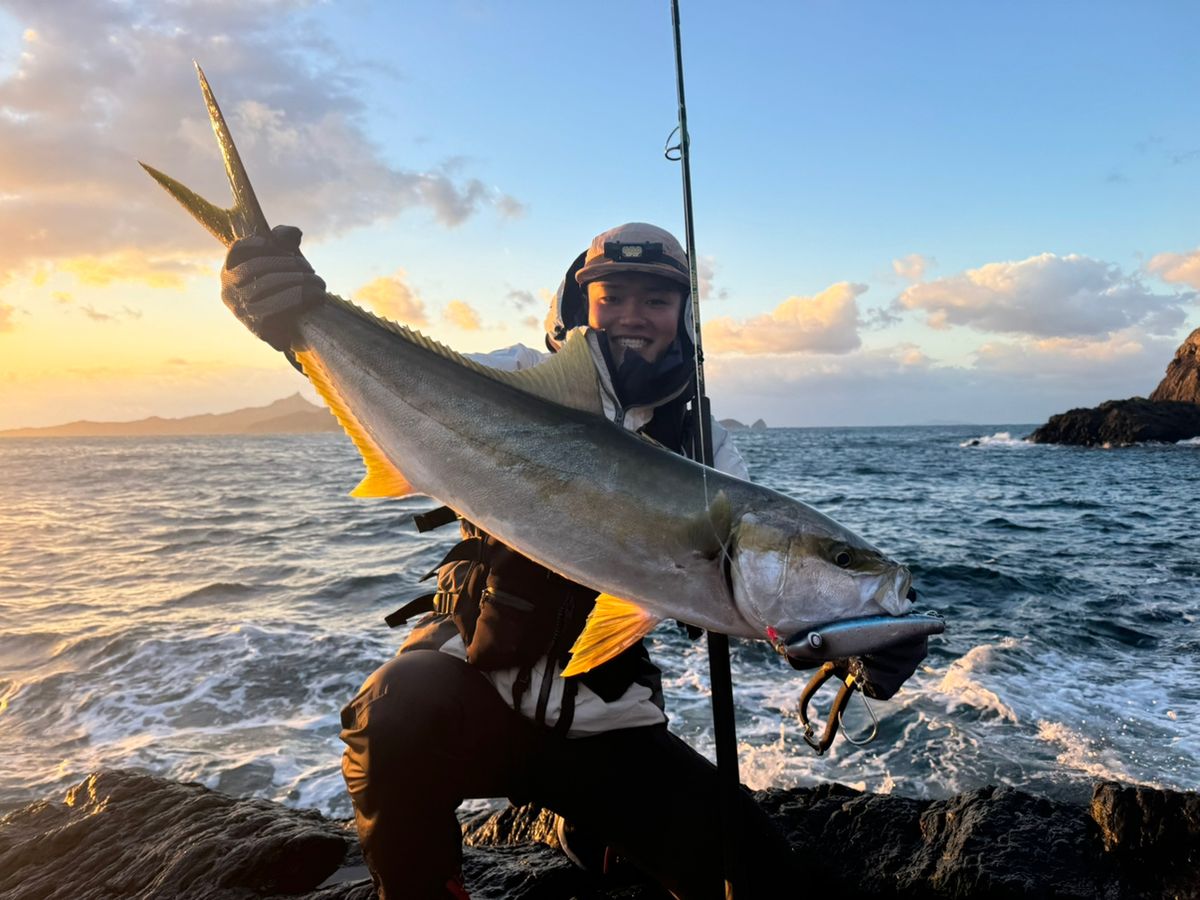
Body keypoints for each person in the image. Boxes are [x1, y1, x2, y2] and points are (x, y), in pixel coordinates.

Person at [220, 222, 923, 899]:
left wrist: (855, 643)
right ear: (578, 300)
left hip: (603, 727)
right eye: (610, 296)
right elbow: (402, 379)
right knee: (391, 709)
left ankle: (584, 822)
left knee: (761, 873)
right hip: (475, 694)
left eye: (656, 298)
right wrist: (294, 326)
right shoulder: (517, 379)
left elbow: (762, 606)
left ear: (684, 314)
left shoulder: (706, 449)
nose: (631, 316)